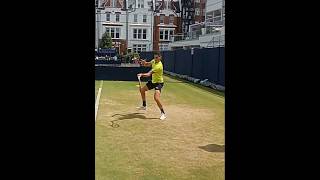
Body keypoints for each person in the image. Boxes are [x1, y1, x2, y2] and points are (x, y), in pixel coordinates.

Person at [137, 51, 166, 120]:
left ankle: (163, 113)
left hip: (159, 83)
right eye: (154, 57)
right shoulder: (153, 61)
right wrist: (144, 63)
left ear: (160, 58)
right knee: (142, 90)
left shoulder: (159, 66)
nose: (155, 59)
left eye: (156, 57)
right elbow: (147, 64)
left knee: (156, 98)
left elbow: (148, 74)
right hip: (153, 81)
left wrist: (141, 74)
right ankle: (144, 106)